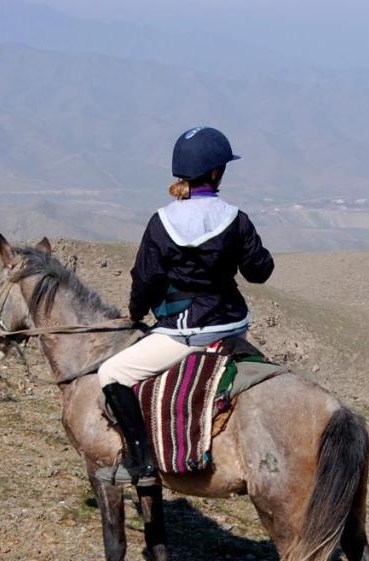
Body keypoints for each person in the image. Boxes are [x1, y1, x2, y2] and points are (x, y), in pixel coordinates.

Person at [96, 126, 275, 486]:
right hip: (232, 324)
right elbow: (260, 272)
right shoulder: (236, 219)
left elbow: (144, 278)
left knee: (110, 374)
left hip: (185, 332)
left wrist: (135, 313)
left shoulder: (162, 222)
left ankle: (142, 464)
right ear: (215, 172)